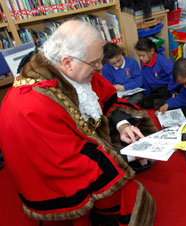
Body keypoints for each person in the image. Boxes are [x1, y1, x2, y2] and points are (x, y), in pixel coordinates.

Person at [0, 20, 156, 225]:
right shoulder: (30, 106)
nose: (100, 67)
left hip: (78, 150)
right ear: (67, 62)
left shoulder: (74, 70)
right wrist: (127, 155)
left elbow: (108, 100)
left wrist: (123, 126)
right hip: (54, 173)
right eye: (95, 63)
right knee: (123, 192)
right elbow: (69, 163)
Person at [135, 37, 178, 109]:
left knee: (162, 103)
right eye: (139, 55)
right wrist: (147, 94)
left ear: (152, 51)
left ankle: (171, 100)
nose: (140, 58)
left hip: (167, 87)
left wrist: (172, 89)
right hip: (155, 90)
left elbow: (175, 73)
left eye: (142, 55)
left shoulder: (161, 60)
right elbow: (145, 78)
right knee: (145, 104)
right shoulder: (143, 61)